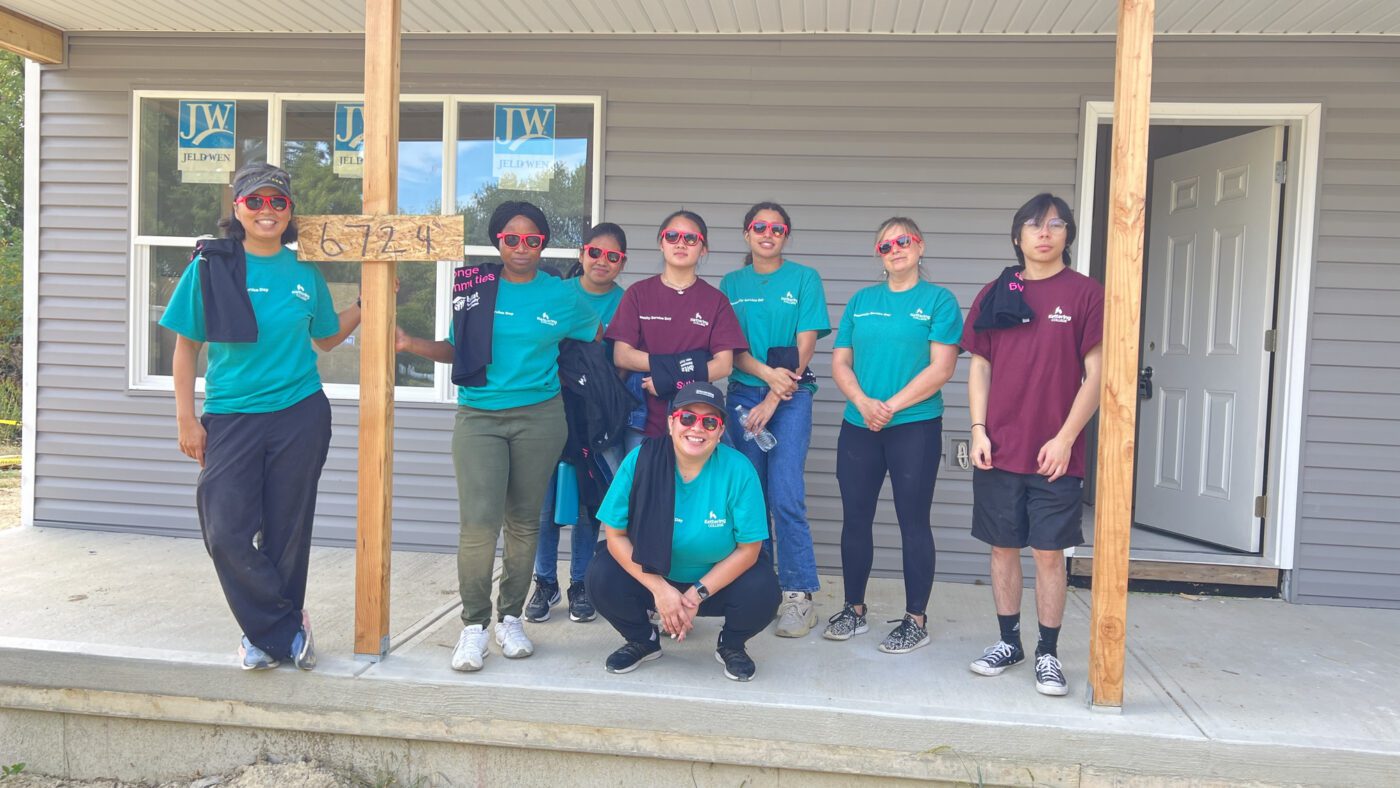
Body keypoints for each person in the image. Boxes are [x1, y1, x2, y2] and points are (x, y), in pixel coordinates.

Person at [160, 162, 362, 671]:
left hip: (300, 413)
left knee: (287, 529)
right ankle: (282, 627)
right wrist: (187, 419)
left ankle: (268, 636)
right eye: (255, 201)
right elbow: (186, 348)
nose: (266, 210)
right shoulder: (212, 266)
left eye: (277, 202)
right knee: (225, 531)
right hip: (231, 416)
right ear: (238, 209)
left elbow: (325, 337)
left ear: (289, 211)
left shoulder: (304, 272)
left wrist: (365, 305)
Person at [396, 201, 598, 672]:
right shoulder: (476, 287)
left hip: (541, 418)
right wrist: (409, 345)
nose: (522, 247)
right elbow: (454, 349)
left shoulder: (563, 294)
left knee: (526, 522)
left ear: (544, 244)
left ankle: (510, 617)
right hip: (480, 417)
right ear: (497, 242)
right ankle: (473, 625)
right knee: (480, 525)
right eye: (511, 239)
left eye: (532, 240)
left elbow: (597, 330)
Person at [961, 193, 1103, 697]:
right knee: (1002, 548)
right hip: (998, 447)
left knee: (1047, 553)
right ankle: (1007, 642)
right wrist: (978, 429)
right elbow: (980, 364)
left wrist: (1066, 438)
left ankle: (1048, 651)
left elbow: (1097, 373)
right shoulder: (998, 291)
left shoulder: (1086, 293)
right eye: (1034, 225)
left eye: (1056, 224)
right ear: (1017, 236)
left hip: (1056, 454)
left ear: (1067, 235)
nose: (1044, 233)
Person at [824, 217, 961, 654]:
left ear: (920, 247)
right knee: (855, 519)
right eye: (886, 245)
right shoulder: (861, 301)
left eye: (904, 241)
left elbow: (942, 368)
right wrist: (864, 403)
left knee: (913, 523)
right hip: (859, 424)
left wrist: (890, 406)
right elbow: (840, 362)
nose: (896, 249)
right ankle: (854, 609)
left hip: (914, 426)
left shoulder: (939, 301)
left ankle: (915, 619)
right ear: (878, 255)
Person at [585, 382, 780, 681]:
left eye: (709, 421)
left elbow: (749, 550)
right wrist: (661, 591)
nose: (697, 428)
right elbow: (615, 535)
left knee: (764, 589)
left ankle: (731, 645)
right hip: (653, 575)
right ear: (671, 421)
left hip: (713, 582)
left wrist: (694, 596)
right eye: (688, 418)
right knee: (601, 575)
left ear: (719, 431)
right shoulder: (640, 460)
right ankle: (642, 640)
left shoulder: (738, 469)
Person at [719, 202, 831, 638]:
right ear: (747, 234)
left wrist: (773, 397)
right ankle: (759, 590)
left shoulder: (805, 279)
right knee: (750, 498)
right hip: (744, 396)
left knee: (785, 494)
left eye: (777, 227)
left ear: (786, 235)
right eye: (759, 226)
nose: (768, 233)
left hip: (791, 398)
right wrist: (764, 382)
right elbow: (729, 348)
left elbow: (805, 346)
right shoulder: (732, 283)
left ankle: (799, 597)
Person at [526, 222, 630, 624]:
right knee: (544, 503)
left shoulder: (626, 301)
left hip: (597, 415)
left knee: (589, 501)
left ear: (623, 263)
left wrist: (603, 398)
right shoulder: (558, 293)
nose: (602, 261)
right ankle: (545, 583)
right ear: (582, 254)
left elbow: (623, 360)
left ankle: (581, 583)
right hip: (549, 406)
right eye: (595, 252)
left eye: (613, 256)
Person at [606, 210, 747, 449]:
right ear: (661, 243)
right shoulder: (638, 293)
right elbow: (622, 355)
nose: (680, 243)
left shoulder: (715, 301)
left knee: (694, 486)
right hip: (643, 420)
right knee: (643, 486)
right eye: (672, 236)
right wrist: (684, 366)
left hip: (696, 423)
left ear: (703, 248)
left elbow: (723, 364)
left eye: (690, 238)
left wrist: (667, 379)